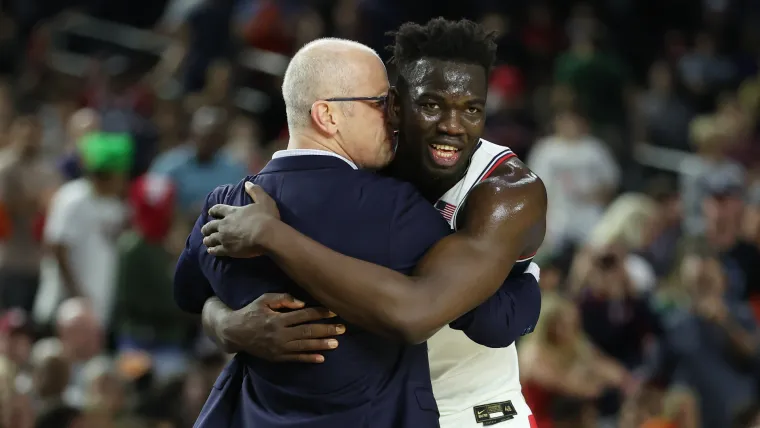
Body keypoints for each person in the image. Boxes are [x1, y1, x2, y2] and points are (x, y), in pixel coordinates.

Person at [199, 18, 546, 428]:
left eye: (472, 109)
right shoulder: (359, 157)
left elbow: (419, 314)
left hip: (470, 411)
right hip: (377, 409)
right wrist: (228, 326)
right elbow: (207, 289)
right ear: (395, 105)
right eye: (431, 105)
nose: (453, 126)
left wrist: (273, 235)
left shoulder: (505, 189)